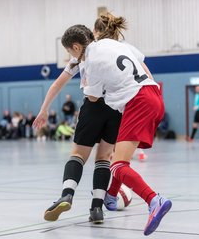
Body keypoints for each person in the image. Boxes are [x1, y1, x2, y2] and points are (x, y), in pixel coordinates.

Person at [34, 14, 154, 225]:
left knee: (78, 154)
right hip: (118, 107)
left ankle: (67, 194)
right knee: (104, 158)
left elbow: (60, 86)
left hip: (94, 105)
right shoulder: (121, 47)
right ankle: (97, 208)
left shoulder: (85, 55)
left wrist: (44, 110)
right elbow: (147, 75)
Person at [58, 25, 172, 236]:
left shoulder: (90, 62)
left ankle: (154, 200)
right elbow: (142, 63)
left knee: (117, 165)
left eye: (70, 52)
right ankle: (110, 195)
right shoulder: (111, 43)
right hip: (153, 94)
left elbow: (93, 98)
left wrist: (86, 83)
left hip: (136, 101)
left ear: (76, 47)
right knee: (120, 160)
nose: (71, 57)